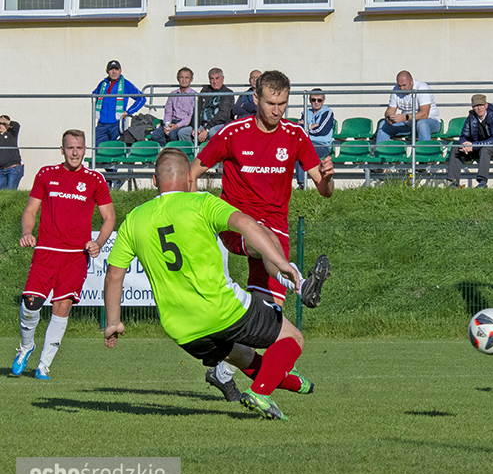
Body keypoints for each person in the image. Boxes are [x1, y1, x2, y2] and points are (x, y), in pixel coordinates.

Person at [104, 149, 327, 420]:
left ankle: (294, 383)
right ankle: (261, 392)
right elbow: (245, 222)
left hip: (182, 329)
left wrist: (114, 322)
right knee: (293, 337)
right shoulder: (200, 203)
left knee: (245, 357)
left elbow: (114, 275)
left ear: (154, 180)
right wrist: (280, 262)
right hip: (221, 309)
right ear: (189, 178)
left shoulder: (134, 220)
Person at [190, 70, 334, 400]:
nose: (277, 110)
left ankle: (223, 372)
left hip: (276, 232)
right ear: (256, 99)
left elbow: (323, 189)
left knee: (268, 322)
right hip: (236, 223)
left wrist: (327, 178)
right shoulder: (232, 133)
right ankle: (299, 282)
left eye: (282, 104)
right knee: (261, 239)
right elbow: (192, 172)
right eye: (271, 103)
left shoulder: (295, 135)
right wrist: (196, 211)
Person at [11, 129, 115, 380]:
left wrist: (99, 242)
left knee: (62, 307)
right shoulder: (46, 174)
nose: (75, 153)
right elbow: (30, 210)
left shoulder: (95, 180)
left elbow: (109, 217)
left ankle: (44, 365)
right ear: (62, 149)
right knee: (30, 304)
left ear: (85, 150)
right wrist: (27, 231)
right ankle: (26, 347)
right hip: (46, 252)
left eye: (79, 148)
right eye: (70, 148)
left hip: (75, 256)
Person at [447, 94, 493, 189]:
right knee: (456, 148)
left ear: (486, 105)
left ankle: (482, 182)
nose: (479, 108)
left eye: (481, 105)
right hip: (477, 147)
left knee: (485, 149)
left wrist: (473, 145)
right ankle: (454, 183)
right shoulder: (471, 117)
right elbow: (463, 135)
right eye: (476, 106)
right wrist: (464, 145)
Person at [376, 70, 441, 143]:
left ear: (411, 82)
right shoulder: (396, 89)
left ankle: (424, 152)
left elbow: (424, 114)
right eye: (399, 86)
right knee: (383, 124)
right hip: (407, 124)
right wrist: (390, 118)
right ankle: (379, 152)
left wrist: (404, 117)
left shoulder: (422, 88)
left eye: (404, 85)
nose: (401, 88)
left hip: (431, 122)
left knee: (422, 124)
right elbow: (390, 110)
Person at [92, 60, 146, 146]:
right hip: (102, 124)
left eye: (116, 69)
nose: (114, 72)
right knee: (100, 151)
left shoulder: (126, 84)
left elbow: (141, 99)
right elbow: (94, 97)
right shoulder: (103, 84)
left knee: (116, 151)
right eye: (111, 69)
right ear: (107, 71)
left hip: (117, 124)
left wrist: (128, 112)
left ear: (120, 70)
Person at [178, 68, 234, 144]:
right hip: (203, 124)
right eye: (212, 79)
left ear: (222, 79)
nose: (215, 82)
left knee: (212, 133)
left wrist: (207, 129)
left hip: (219, 124)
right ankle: (192, 153)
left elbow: (223, 115)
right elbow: (197, 110)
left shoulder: (228, 93)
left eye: (217, 78)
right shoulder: (205, 91)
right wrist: (195, 126)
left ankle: (212, 154)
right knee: (182, 132)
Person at [296, 88, 334, 188]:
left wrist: (307, 126)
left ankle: (307, 184)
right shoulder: (305, 112)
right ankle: (301, 183)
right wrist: (312, 125)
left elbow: (322, 130)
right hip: (307, 143)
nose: (316, 103)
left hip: (322, 146)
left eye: (319, 100)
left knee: (303, 153)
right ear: (309, 100)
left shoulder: (328, 113)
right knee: (296, 152)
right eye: (313, 100)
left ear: (323, 100)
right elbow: (299, 129)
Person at [149, 67, 196, 146]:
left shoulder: (194, 96)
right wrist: (167, 126)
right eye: (181, 77)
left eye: (186, 77)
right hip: (171, 122)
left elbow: (189, 118)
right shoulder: (173, 94)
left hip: (183, 124)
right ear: (178, 79)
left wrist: (176, 126)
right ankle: (165, 152)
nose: (184, 80)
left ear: (191, 79)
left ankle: (176, 153)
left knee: (172, 134)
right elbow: (168, 112)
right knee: (155, 135)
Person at [0, 115, 24, 190]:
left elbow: (16, 125)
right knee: (2, 194)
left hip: (13, 169)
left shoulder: (12, 133)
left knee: (11, 191)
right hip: (1, 170)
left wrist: (5, 121)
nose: (1, 126)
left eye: (3, 124)